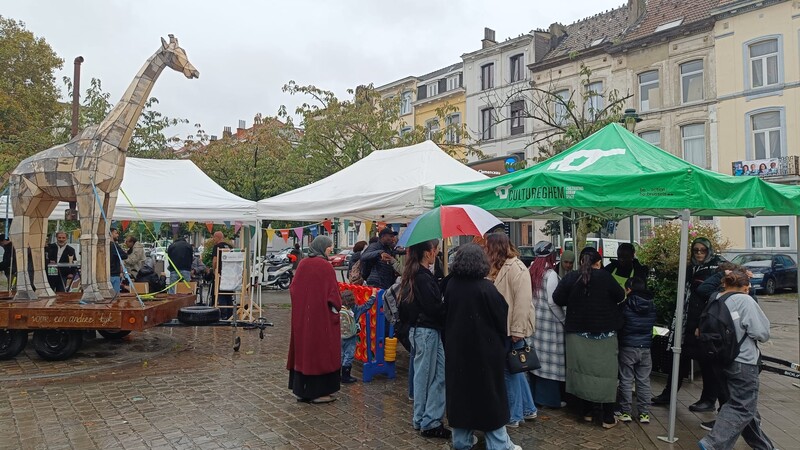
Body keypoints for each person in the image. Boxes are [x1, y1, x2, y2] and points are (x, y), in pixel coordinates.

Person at [444, 243, 521, 450]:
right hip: (485, 353)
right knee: (490, 398)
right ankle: (499, 444)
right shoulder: (486, 288)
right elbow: (501, 317)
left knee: (461, 398)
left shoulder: (451, 286)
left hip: (458, 351)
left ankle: (462, 440)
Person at [698, 269, 775, 450]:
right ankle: (713, 443)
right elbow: (761, 333)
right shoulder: (745, 300)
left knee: (744, 408)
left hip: (721, 360)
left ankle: (764, 447)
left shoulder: (716, 298)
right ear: (746, 287)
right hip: (743, 361)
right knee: (743, 407)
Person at [553, 247, 625, 428]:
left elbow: (557, 298)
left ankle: (586, 413)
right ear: (598, 262)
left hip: (577, 336)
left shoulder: (571, 277)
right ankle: (608, 417)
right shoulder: (605, 277)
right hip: (605, 335)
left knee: (583, 374)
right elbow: (620, 295)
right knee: (607, 376)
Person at [653, 237, 723, 411]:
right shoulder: (691, 268)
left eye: (703, 250)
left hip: (706, 323)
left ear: (709, 251)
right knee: (679, 359)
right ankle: (669, 394)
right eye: (696, 250)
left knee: (708, 364)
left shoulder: (718, 267)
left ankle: (708, 400)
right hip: (687, 322)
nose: (699, 253)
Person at [397, 238, 450, 439]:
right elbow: (433, 307)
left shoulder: (418, 274)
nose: (436, 253)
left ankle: (428, 417)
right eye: (435, 249)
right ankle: (424, 420)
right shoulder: (421, 277)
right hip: (426, 331)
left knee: (438, 375)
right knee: (426, 377)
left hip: (425, 331)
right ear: (428, 252)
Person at [485, 232, 537, 427]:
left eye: (488, 246)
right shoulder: (497, 268)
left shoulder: (517, 268)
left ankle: (514, 416)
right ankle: (528, 409)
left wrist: (517, 330)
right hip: (503, 327)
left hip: (511, 329)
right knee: (516, 369)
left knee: (510, 372)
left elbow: (523, 302)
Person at [286, 235, 341, 404]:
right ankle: (318, 392)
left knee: (304, 350)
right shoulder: (325, 267)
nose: (330, 249)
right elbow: (333, 294)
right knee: (320, 352)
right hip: (321, 319)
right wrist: (337, 307)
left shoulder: (302, 264)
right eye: (329, 247)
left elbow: (293, 289)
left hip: (303, 318)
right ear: (322, 247)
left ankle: (302, 390)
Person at [528, 240, 566, 409]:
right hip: (551, 325)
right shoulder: (550, 275)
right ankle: (548, 398)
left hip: (536, 323)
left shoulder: (531, 271)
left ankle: (536, 396)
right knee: (550, 361)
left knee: (537, 361)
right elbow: (553, 302)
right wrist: (563, 320)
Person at [616, 277, 657, 424]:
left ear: (629, 290)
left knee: (626, 380)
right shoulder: (652, 305)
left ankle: (625, 411)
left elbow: (620, 324)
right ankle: (644, 414)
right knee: (644, 381)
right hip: (645, 348)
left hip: (627, 346)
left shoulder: (626, 305)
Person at [339, 288, 375, 384]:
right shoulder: (356, 309)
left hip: (339, 336)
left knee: (341, 354)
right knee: (349, 355)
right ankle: (346, 376)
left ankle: (338, 375)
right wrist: (373, 295)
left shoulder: (339, 308)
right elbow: (367, 306)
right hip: (351, 337)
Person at [211, 231, 233, 319]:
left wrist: (214, 270)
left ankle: (223, 316)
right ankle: (230, 315)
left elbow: (215, 260)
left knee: (221, 294)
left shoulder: (217, 247)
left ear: (217, 237)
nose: (213, 239)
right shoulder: (230, 247)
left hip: (220, 274)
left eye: (214, 237)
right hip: (230, 274)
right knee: (229, 295)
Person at [108, 227, 128, 293]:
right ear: (111, 234)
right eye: (116, 233)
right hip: (114, 274)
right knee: (115, 297)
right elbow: (124, 256)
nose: (117, 235)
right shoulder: (114, 246)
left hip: (106, 274)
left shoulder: (104, 246)